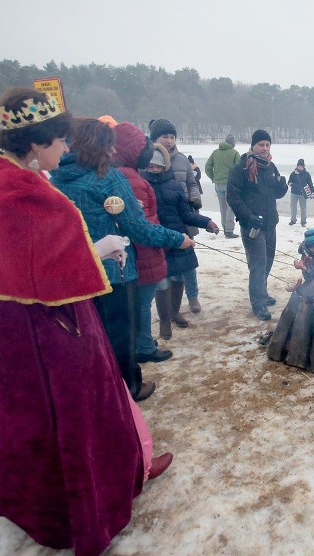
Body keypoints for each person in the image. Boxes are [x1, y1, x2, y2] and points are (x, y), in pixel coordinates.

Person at [0, 86, 173, 556]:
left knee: (70, 406)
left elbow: (28, 256)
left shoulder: (4, 176)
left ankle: (122, 470)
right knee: (77, 411)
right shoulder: (17, 190)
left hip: (33, 318)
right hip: (47, 327)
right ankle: (85, 507)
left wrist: (88, 250)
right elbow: (38, 265)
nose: (66, 149)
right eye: (59, 141)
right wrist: (99, 250)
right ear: (35, 142)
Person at [51, 117, 192, 402]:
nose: (114, 152)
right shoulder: (109, 178)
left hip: (76, 270)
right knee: (119, 333)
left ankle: (99, 385)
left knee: (92, 333)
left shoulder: (57, 178)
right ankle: (128, 387)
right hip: (115, 270)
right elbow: (137, 227)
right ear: (99, 147)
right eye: (109, 146)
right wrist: (179, 239)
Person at [112, 120, 175, 363]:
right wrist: (172, 239)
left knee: (139, 303)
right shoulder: (132, 181)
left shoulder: (120, 175)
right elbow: (143, 226)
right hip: (142, 254)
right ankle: (145, 346)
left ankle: (142, 342)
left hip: (134, 254)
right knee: (143, 304)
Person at [143, 144, 219, 337]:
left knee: (179, 277)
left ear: (164, 166)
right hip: (158, 241)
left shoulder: (175, 186)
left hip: (179, 238)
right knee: (162, 281)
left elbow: (186, 214)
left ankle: (175, 312)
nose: (154, 169)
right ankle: (165, 321)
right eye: (150, 166)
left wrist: (207, 222)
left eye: (157, 166)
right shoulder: (143, 186)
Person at [226, 129, 288, 320]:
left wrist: (282, 187)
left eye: (267, 145)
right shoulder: (242, 168)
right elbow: (233, 197)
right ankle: (258, 303)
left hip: (270, 224)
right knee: (258, 264)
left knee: (268, 261)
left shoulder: (270, 166)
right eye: (261, 144)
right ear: (253, 146)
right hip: (252, 225)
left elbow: (276, 194)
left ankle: (262, 292)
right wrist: (248, 216)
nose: (264, 148)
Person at [149, 118, 205, 314]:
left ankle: (193, 297)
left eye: (172, 137)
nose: (169, 140)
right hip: (162, 219)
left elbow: (192, 183)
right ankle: (172, 307)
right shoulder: (147, 160)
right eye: (165, 136)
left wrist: (195, 198)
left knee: (188, 262)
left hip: (185, 215)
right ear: (155, 137)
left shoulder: (182, 159)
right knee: (168, 265)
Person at [205, 133, 241, 238]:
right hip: (229, 184)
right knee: (231, 207)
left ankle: (225, 228)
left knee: (223, 207)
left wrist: (213, 177)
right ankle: (229, 231)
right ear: (233, 143)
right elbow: (238, 169)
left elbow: (207, 167)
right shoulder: (234, 153)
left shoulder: (215, 153)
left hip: (218, 183)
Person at [287, 158, 314, 226]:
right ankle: (293, 220)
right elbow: (289, 182)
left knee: (303, 208)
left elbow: (310, 184)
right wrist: (291, 184)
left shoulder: (307, 174)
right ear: (297, 166)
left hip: (303, 194)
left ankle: (303, 221)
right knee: (293, 207)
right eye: (299, 166)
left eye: (301, 166)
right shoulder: (293, 174)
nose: (300, 167)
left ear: (303, 167)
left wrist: (312, 192)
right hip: (294, 193)